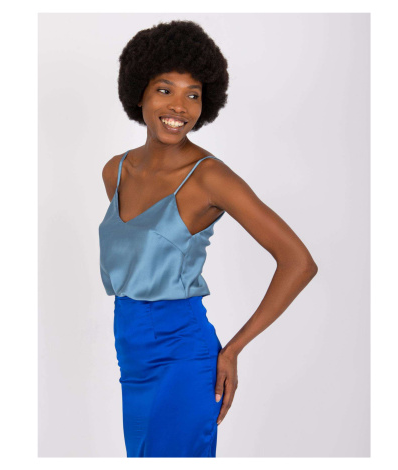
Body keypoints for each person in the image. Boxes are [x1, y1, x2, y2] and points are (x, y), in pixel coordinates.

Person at [99, 19, 318, 458]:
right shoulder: (116, 171)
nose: (179, 106)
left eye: (193, 94)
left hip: (182, 355)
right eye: (165, 89)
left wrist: (233, 350)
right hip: (132, 355)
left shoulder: (210, 177)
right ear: (139, 92)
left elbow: (298, 262)